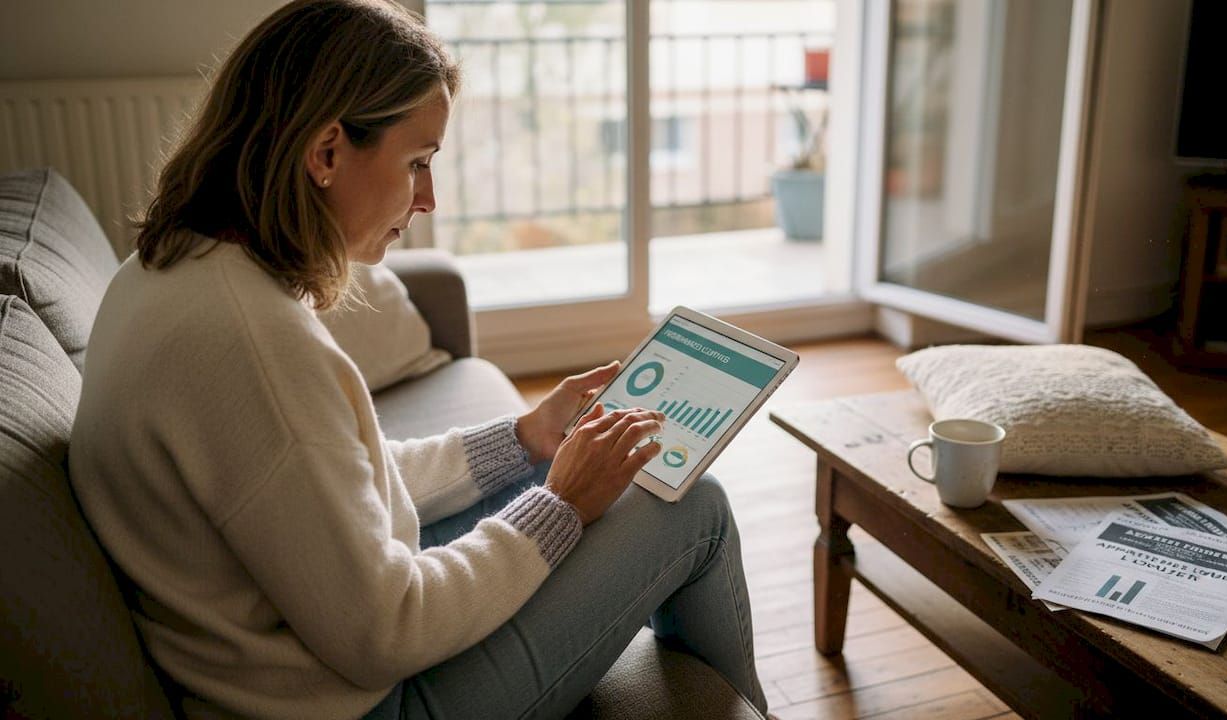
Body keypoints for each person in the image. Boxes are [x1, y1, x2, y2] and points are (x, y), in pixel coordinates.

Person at [69, 1, 769, 718]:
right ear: (327, 151)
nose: (428, 198)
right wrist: (557, 507)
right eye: (417, 162)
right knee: (691, 509)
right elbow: (385, 632)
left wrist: (522, 439)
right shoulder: (249, 339)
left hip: (311, 640)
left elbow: (327, 482)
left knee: (591, 472)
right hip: (367, 701)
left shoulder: (177, 268)